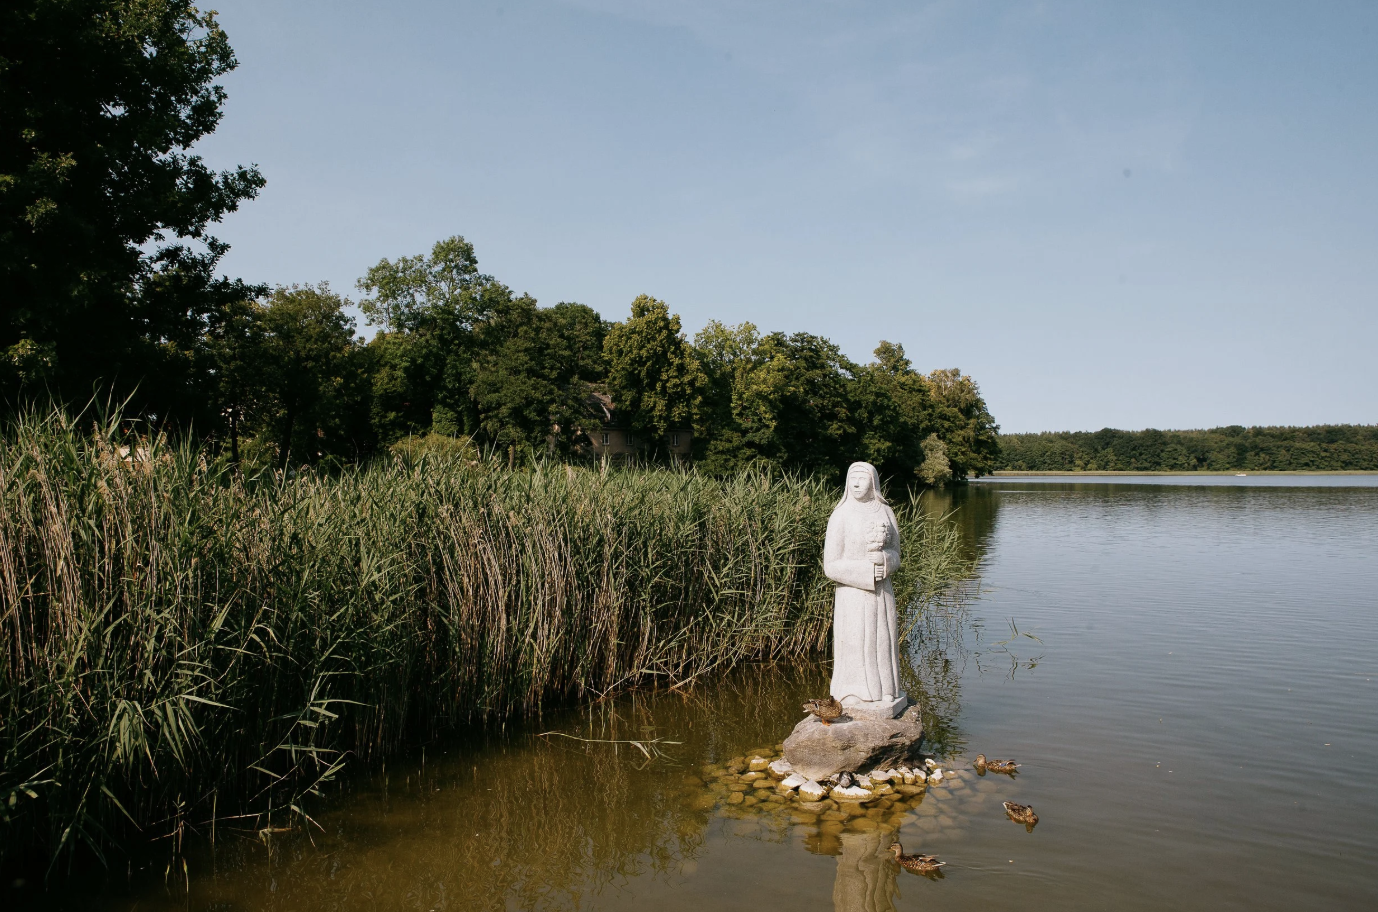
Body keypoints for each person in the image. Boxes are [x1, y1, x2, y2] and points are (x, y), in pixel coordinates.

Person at [824, 462, 902, 708]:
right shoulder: (841, 514)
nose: (856, 483)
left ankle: (886, 690)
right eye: (852, 478)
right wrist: (867, 571)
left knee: (882, 642)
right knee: (856, 643)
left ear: (874, 482)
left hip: (881, 594)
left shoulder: (885, 512)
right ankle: (852, 692)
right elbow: (831, 566)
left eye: (862, 478)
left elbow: (897, 554)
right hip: (853, 597)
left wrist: (885, 560)